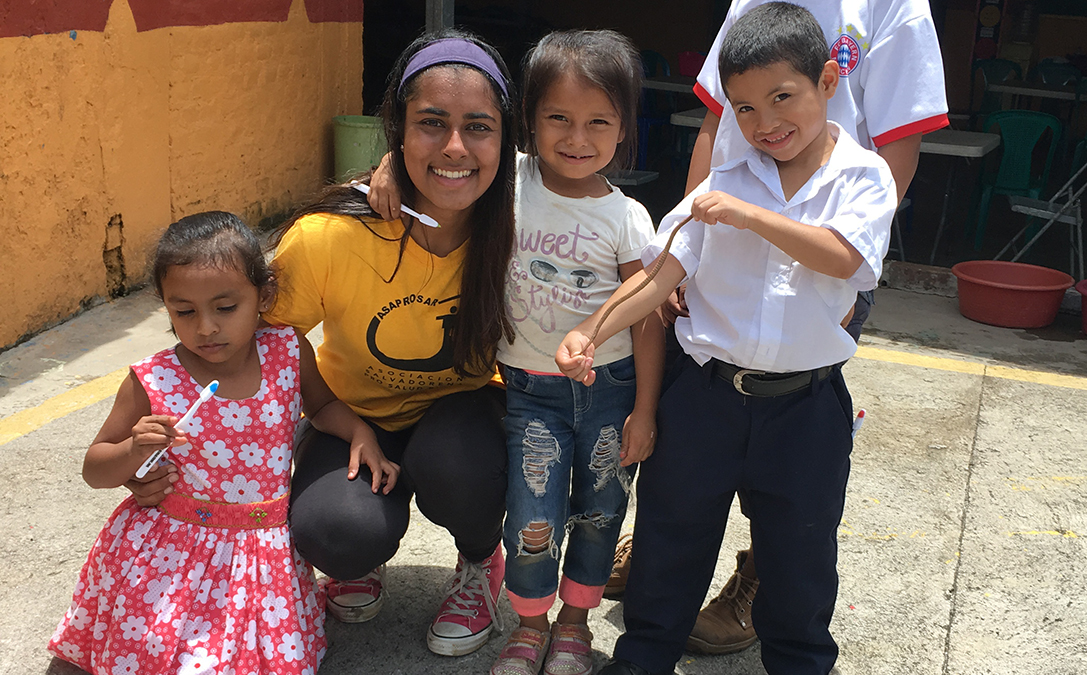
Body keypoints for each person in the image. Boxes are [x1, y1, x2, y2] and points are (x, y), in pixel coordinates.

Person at [124, 29, 519, 658]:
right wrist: (176, 465)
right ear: (396, 130)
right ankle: (358, 557)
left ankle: (478, 563)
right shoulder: (328, 237)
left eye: (478, 126)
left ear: (505, 137)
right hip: (353, 421)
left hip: (465, 421)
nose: (454, 146)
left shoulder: (527, 231)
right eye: (430, 123)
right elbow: (242, 345)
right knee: (335, 528)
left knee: (459, 461)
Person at [557, 4, 897, 674]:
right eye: (742, 108)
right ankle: (642, 659)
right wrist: (589, 329)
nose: (764, 124)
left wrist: (752, 216)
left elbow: (843, 258)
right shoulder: (724, 183)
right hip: (706, 398)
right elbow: (659, 276)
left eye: (782, 98)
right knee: (669, 542)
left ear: (828, 82)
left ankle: (799, 662)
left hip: (805, 409)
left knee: (798, 561)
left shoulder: (863, 177)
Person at [48, 211, 399, 675]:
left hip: (261, 554)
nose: (206, 327)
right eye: (184, 312)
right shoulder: (154, 378)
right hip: (173, 554)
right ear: (165, 306)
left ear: (263, 296)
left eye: (225, 307)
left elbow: (321, 406)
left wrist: (360, 433)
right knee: (160, 650)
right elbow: (95, 468)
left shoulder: (288, 352)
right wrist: (133, 451)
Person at [487, 30, 663, 675]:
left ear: (622, 130)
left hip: (612, 391)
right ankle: (529, 627)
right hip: (531, 392)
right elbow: (445, 164)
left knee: (599, 512)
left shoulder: (628, 218)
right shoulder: (508, 179)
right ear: (529, 118)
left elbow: (648, 321)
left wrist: (644, 411)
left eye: (598, 122)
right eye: (558, 117)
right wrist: (391, 166)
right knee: (532, 517)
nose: (576, 138)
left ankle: (574, 625)